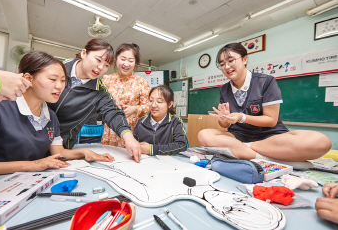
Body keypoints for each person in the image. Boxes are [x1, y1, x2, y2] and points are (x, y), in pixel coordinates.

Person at [197, 43, 331, 162]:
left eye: (231, 61)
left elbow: (271, 120)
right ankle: (262, 157)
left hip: (270, 137)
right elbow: (225, 125)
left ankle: (247, 151)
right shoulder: (224, 89)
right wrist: (224, 118)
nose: (227, 67)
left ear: (245, 59)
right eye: (222, 64)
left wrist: (241, 117)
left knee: (321, 142)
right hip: (238, 136)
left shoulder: (266, 81)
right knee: (204, 134)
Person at [0, 51, 114, 176]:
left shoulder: (51, 116)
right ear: (28, 79)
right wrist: (33, 165)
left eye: (63, 80)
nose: (60, 86)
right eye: (53, 79)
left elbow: (58, 151)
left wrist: (84, 153)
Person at [47, 39, 142, 163]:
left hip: (63, 150)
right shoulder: (58, 69)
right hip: (31, 141)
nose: (101, 67)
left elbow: (113, 113)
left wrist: (129, 138)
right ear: (84, 53)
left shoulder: (99, 92)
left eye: (107, 65)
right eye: (98, 60)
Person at [101, 43, 150, 148]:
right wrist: (112, 106)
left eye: (131, 61)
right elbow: (99, 104)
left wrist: (135, 109)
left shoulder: (142, 82)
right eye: (123, 59)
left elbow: (149, 107)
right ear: (116, 59)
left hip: (132, 130)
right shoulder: (107, 80)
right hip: (111, 129)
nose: (126, 64)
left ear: (135, 62)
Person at [133, 85, 188, 155]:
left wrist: (152, 149)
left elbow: (182, 145)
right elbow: (133, 143)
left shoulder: (175, 121)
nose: (153, 105)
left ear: (170, 104)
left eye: (159, 102)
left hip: (168, 163)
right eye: (151, 100)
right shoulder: (141, 122)